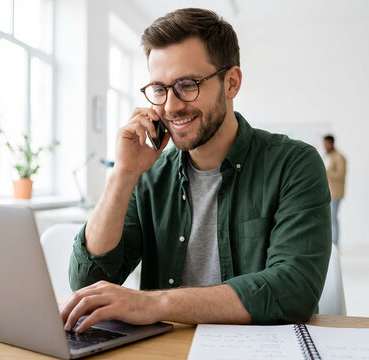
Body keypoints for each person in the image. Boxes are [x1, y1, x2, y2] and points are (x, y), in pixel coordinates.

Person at [61, 8, 331, 333]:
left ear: (231, 83)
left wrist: (154, 304)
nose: (171, 106)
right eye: (159, 89)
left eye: (187, 85)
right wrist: (122, 174)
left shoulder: (294, 165)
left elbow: (294, 290)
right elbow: (89, 282)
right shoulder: (148, 176)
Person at [322, 135, 346, 246]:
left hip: (335, 193)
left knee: (333, 217)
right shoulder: (329, 156)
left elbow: (340, 175)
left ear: (331, 143)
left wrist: (326, 172)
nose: (325, 146)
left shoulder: (339, 157)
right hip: (329, 192)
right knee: (329, 217)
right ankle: (330, 242)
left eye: (327, 143)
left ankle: (334, 244)